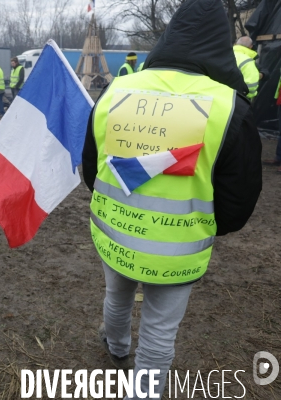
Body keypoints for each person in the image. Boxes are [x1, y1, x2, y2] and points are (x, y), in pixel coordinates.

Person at [82, 0, 261, 398]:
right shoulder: (229, 106)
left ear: (170, 36)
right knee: (160, 332)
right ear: (220, 42)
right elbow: (239, 199)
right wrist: (205, 224)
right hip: (177, 248)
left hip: (114, 232)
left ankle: (116, 349)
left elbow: (90, 168)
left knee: (116, 297)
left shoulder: (117, 90)